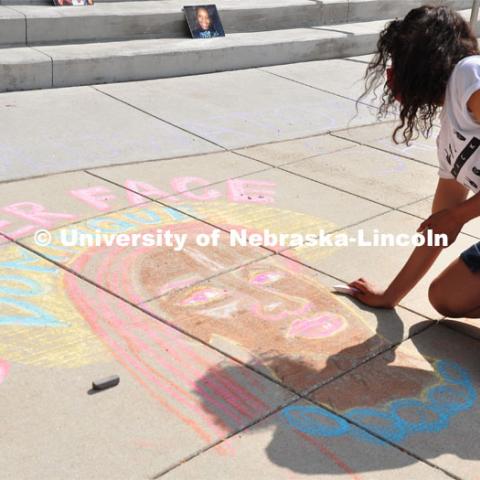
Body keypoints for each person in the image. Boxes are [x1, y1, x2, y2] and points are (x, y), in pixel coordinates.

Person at [351, 5, 480, 318]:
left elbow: (451, 218)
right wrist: (390, 296)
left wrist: (458, 216)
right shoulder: (449, 139)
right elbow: (439, 225)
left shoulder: (469, 74)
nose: (393, 74)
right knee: (446, 297)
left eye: (399, 61)